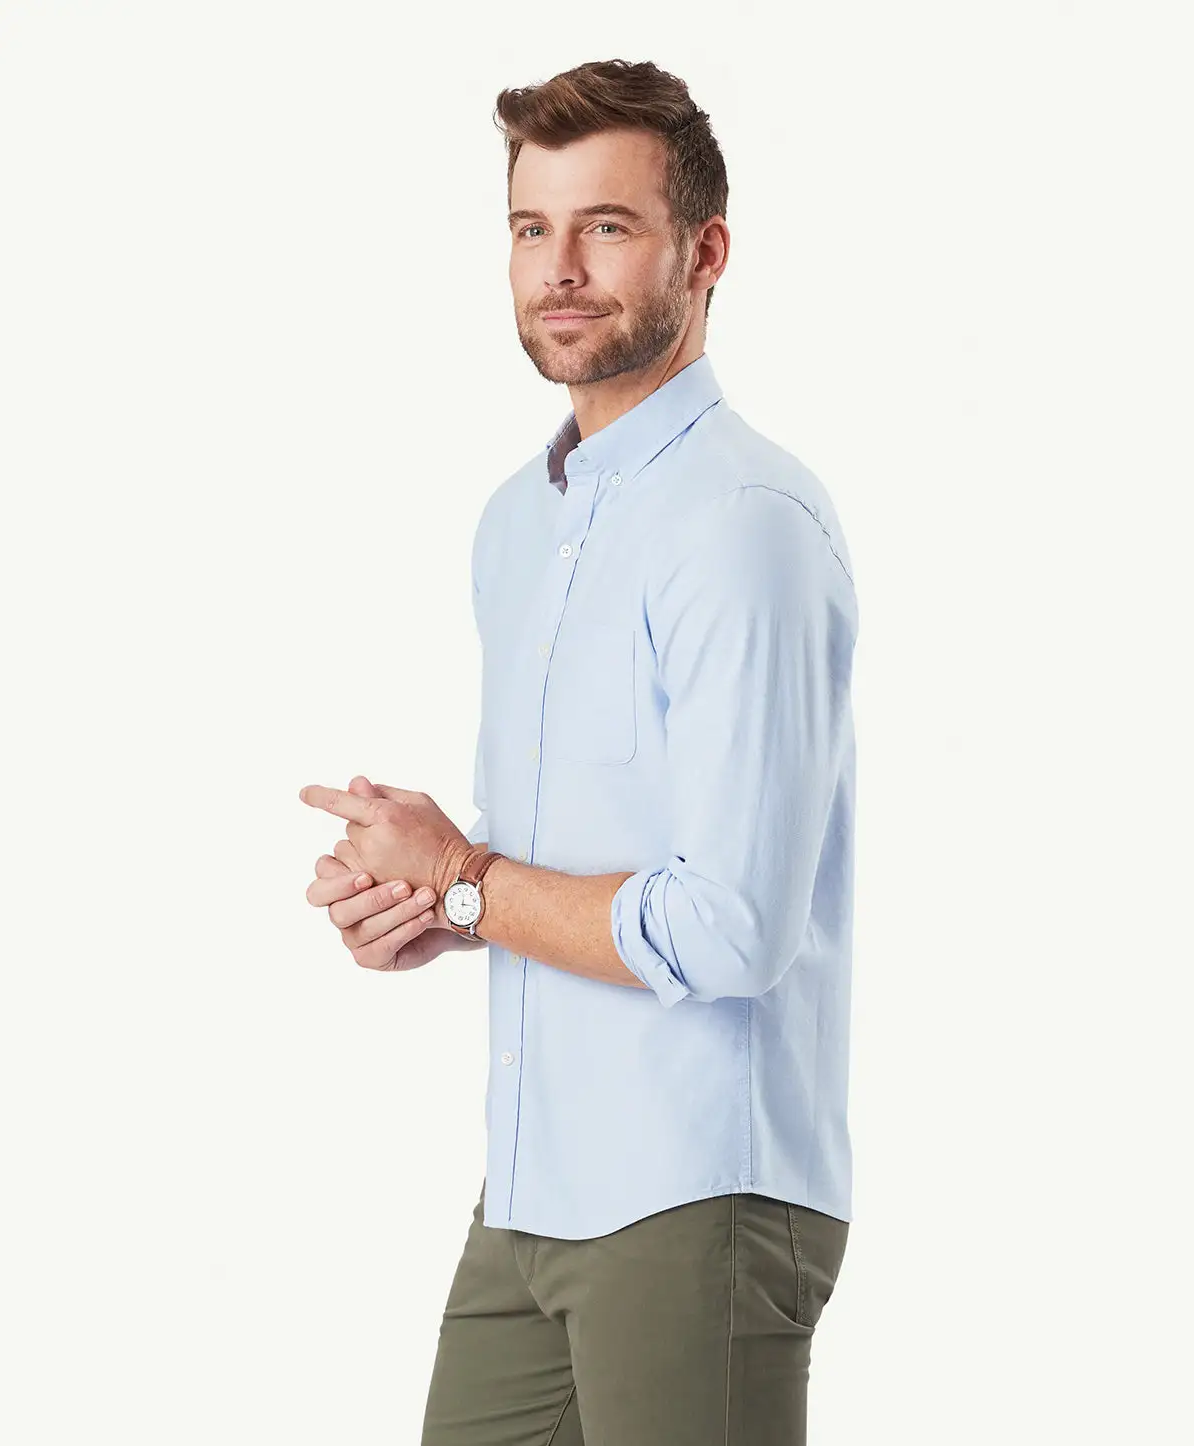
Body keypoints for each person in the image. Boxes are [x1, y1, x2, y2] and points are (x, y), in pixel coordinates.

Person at [300, 56, 858, 1446]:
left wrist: (469, 880)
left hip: (696, 1193)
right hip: (529, 1188)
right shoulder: (520, 521)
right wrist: (435, 907)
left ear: (704, 253)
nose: (559, 269)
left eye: (606, 226)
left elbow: (731, 928)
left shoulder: (744, 524)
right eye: (530, 228)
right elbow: (586, 864)